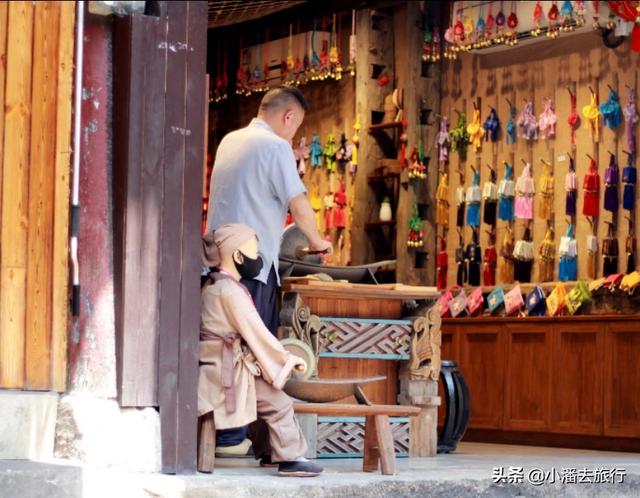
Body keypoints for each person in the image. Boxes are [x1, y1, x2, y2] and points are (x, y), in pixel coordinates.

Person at [206, 85, 331, 455]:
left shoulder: (230, 140)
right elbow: (299, 202)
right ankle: (234, 436)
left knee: (223, 348)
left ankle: (225, 432)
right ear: (287, 116)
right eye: (296, 126)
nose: (293, 136)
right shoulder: (275, 147)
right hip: (252, 264)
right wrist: (318, 241)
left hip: (217, 264)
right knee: (252, 354)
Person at [199, 224, 323, 477]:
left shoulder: (211, 287)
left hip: (214, 367)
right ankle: (290, 458)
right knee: (279, 402)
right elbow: (257, 333)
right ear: (237, 256)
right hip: (228, 373)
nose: (257, 261)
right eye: (253, 254)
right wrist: (287, 360)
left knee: (263, 397)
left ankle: (269, 453)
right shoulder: (230, 291)